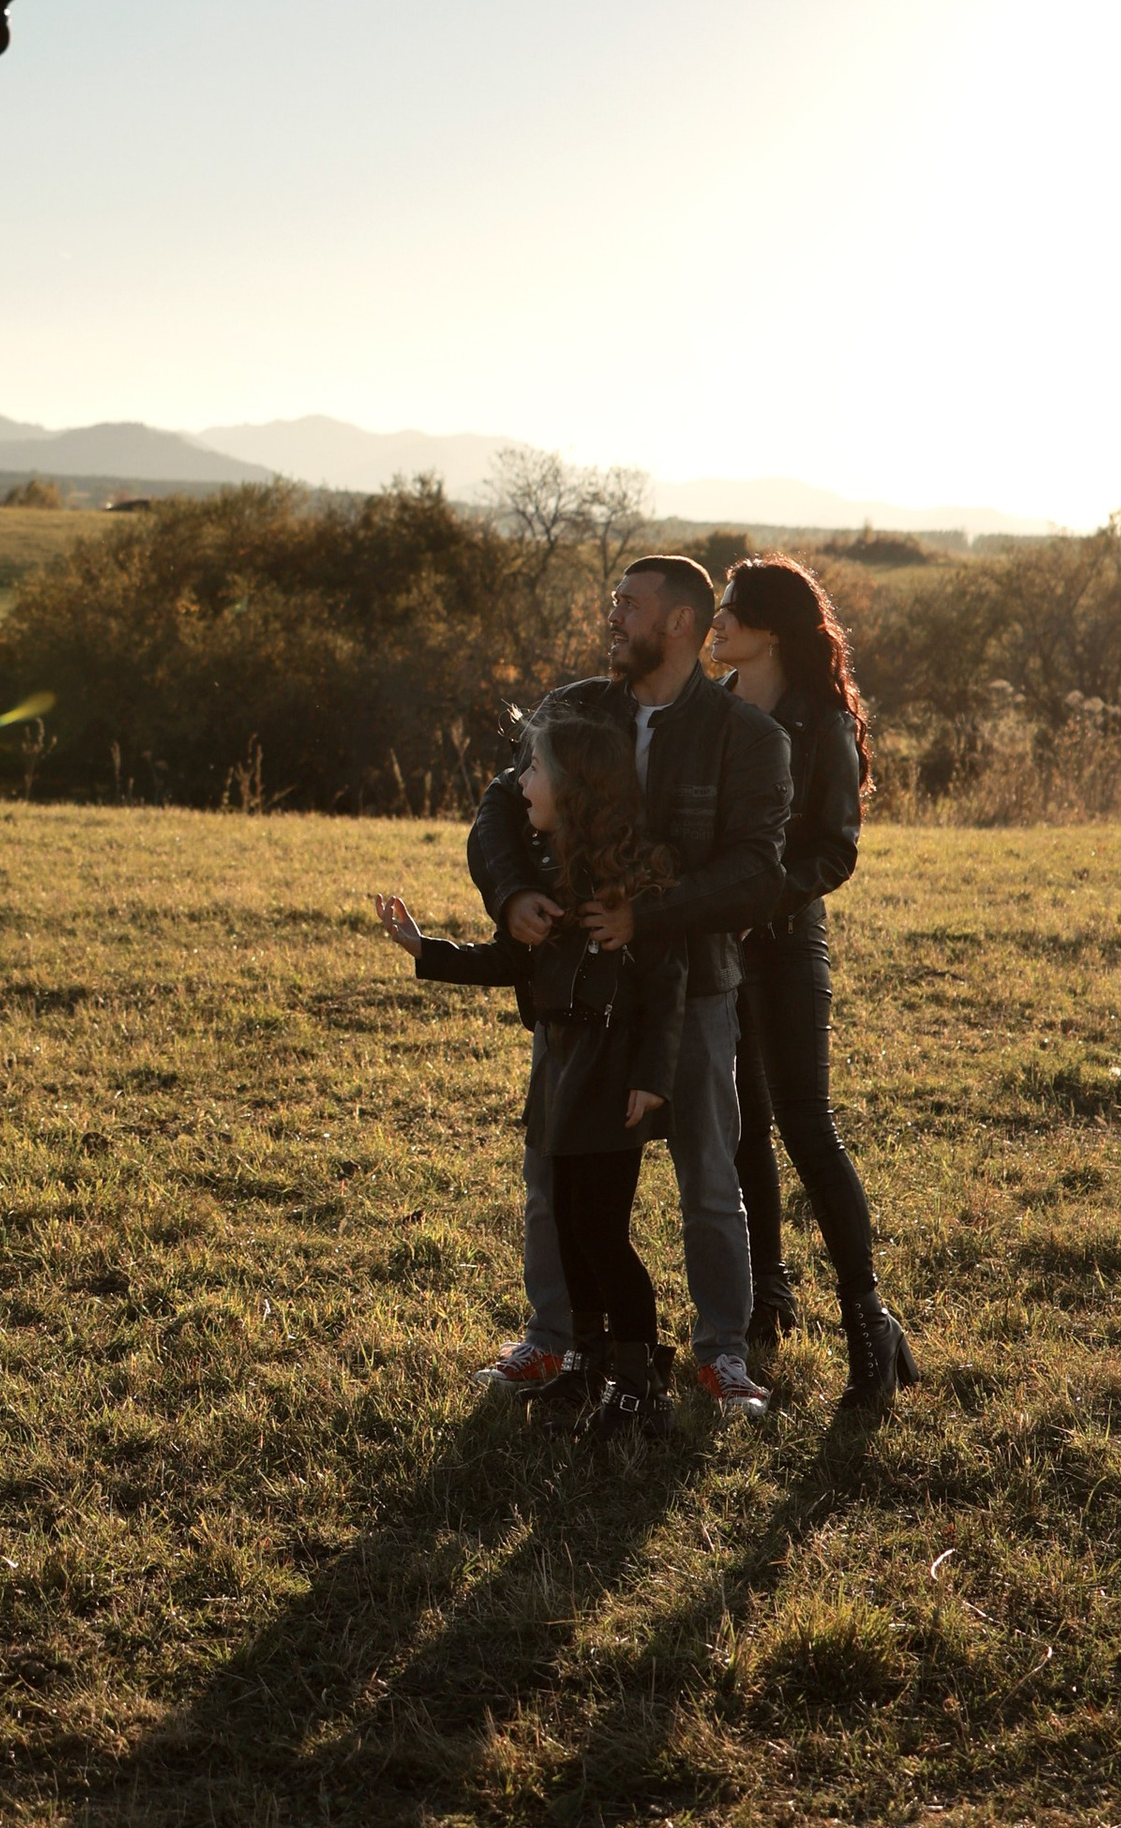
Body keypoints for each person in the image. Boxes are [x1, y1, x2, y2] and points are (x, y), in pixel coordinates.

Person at [468, 554, 788, 1426]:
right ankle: (556, 1338)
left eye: (628, 605)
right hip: (575, 995)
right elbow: (498, 811)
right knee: (553, 1174)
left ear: (678, 623)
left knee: (709, 1181)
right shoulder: (572, 709)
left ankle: (721, 1353)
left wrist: (648, 916)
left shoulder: (745, 737)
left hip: (696, 994)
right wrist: (511, 894)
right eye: (613, 603)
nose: (613, 618)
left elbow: (760, 873)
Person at [375, 712, 683, 1443]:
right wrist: (425, 949)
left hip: (612, 1076)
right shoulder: (547, 875)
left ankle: (640, 1385)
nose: (519, 783)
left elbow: (666, 985)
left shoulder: (630, 886)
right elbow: (509, 963)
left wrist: (651, 1077)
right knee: (572, 1234)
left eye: (533, 771)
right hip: (561, 1074)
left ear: (573, 788)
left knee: (604, 1234)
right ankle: (586, 1361)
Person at [709, 554, 917, 1416]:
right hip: (722, 947)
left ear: (768, 628)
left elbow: (834, 850)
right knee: (742, 1124)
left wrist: (761, 900)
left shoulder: (819, 720)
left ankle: (870, 1325)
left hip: (787, 947)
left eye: (728, 612)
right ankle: (771, 1292)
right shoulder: (718, 709)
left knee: (806, 1126)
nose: (713, 624)